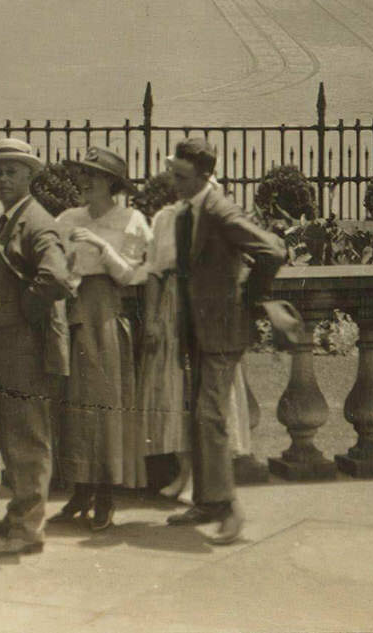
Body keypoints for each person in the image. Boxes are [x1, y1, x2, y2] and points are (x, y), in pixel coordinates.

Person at [162, 137, 285, 546]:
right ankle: (206, 502)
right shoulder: (186, 215)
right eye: (172, 172)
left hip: (222, 331)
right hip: (196, 330)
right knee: (199, 414)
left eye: (181, 176)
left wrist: (250, 302)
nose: (173, 182)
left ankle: (230, 507)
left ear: (203, 175)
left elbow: (272, 250)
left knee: (211, 416)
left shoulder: (220, 210)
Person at [0, 137, 72, 557]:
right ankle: (17, 514)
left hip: (25, 350)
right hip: (2, 351)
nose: (1, 178)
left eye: (12, 171)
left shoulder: (38, 222)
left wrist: (24, 311)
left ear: (30, 176)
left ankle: (28, 530)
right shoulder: (11, 219)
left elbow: (56, 278)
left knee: (27, 437)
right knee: (10, 434)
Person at [50, 147, 151, 531]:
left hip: (107, 314)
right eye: (83, 173)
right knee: (75, 404)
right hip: (73, 313)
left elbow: (133, 275)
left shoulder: (131, 220)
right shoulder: (67, 218)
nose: (85, 181)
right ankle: (80, 491)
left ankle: (106, 496)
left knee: (105, 403)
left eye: (94, 174)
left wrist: (102, 248)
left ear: (112, 183)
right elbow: (55, 262)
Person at [139, 191, 255, 501]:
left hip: (211, 306)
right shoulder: (165, 219)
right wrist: (151, 320)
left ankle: (210, 481)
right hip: (173, 309)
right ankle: (186, 472)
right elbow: (153, 271)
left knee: (211, 393)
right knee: (175, 390)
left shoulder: (221, 216)